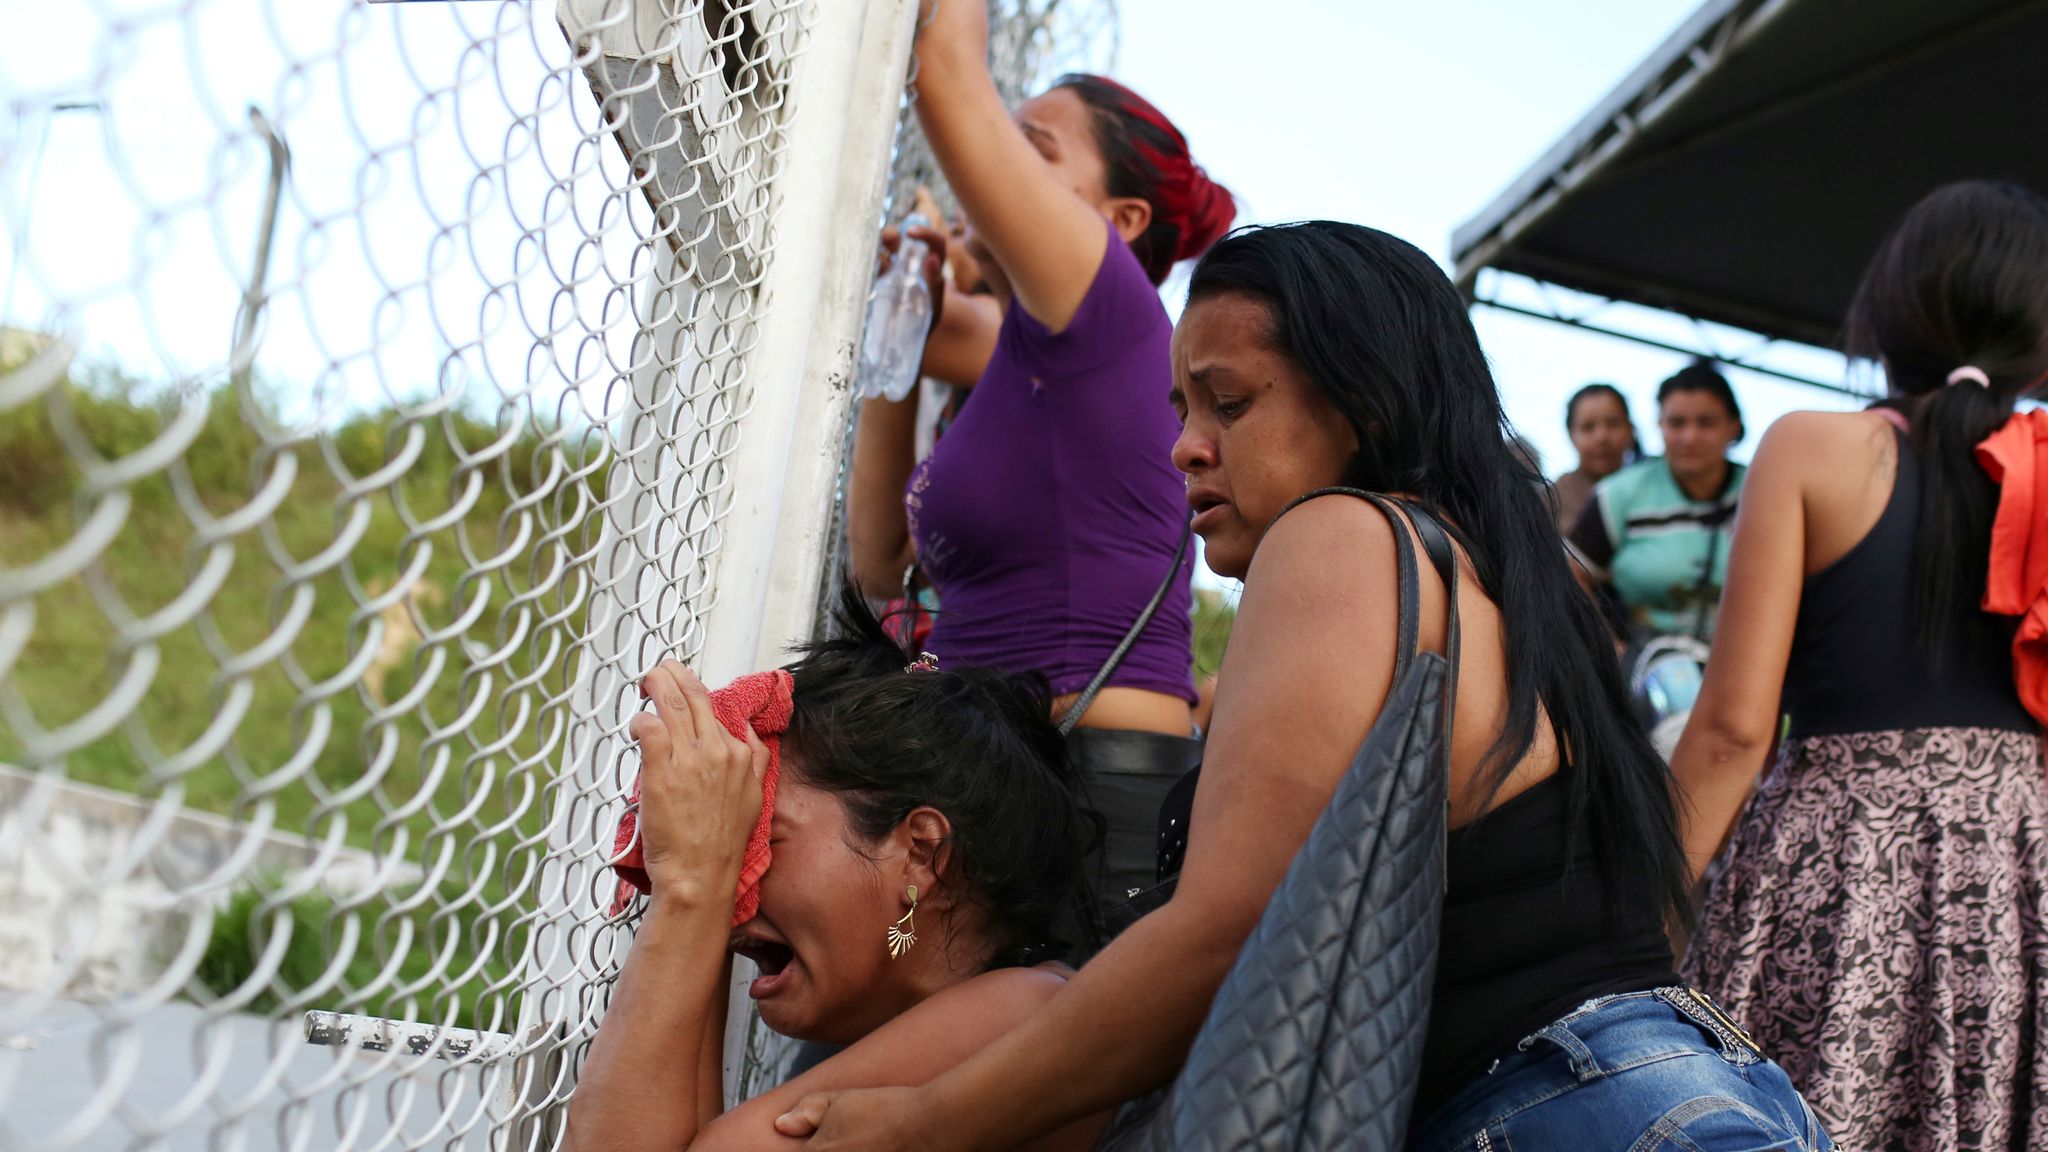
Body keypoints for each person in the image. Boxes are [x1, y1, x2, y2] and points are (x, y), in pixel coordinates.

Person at [775, 221, 1829, 1151]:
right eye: (1179, 406)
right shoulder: (1502, 570)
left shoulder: (1337, 534)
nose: (1183, 447)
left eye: (1226, 404)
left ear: (1361, 400)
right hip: (1680, 1087)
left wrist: (926, 1121)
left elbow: (1223, 933)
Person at [1675, 180, 2048, 1150]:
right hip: (2020, 883)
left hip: (1834, 866)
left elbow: (1729, 730)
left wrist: (1631, 911)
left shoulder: (1811, 448)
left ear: (1888, 309)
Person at [844, 0, 1234, 929]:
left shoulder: (1112, 304)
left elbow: (945, 69)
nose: (1001, 160)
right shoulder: (1028, 358)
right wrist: (912, 305)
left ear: (1120, 217)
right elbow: (879, 560)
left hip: (1088, 790)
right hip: (978, 777)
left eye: (1035, 147)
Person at [566, 594, 1111, 1152]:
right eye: (734, 840)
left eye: (760, 835)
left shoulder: (1019, 1016)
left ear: (922, 854)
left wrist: (691, 886)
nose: (739, 886)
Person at [1568, 361, 1746, 643]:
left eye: (1706, 423)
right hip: (1642, 667)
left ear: (1734, 427)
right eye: (1677, 423)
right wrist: (1608, 647)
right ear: (1659, 425)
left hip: (1749, 664)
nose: (1690, 437)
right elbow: (1570, 573)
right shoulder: (1618, 495)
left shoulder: (1763, 494)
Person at [1551, 382, 1639, 534]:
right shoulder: (1552, 500)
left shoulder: (1651, 489)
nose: (1602, 437)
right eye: (1588, 427)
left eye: (1612, 424)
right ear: (1571, 435)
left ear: (1630, 430)